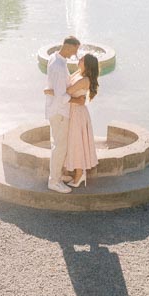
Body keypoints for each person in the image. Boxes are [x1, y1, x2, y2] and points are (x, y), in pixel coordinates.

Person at [44, 36, 84, 194]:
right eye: (75, 50)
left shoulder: (54, 57)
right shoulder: (59, 67)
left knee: (59, 145)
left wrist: (49, 91)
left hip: (54, 109)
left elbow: (54, 87)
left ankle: (59, 175)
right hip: (59, 112)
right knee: (59, 147)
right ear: (68, 47)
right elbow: (61, 97)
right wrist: (77, 99)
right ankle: (54, 181)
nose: (76, 54)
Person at [63, 54, 100, 188]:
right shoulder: (79, 73)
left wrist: (52, 91)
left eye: (82, 59)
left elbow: (67, 91)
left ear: (88, 64)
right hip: (73, 111)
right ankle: (73, 172)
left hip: (78, 113)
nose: (79, 60)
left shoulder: (85, 80)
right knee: (72, 142)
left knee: (77, 142)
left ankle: (79, 174)